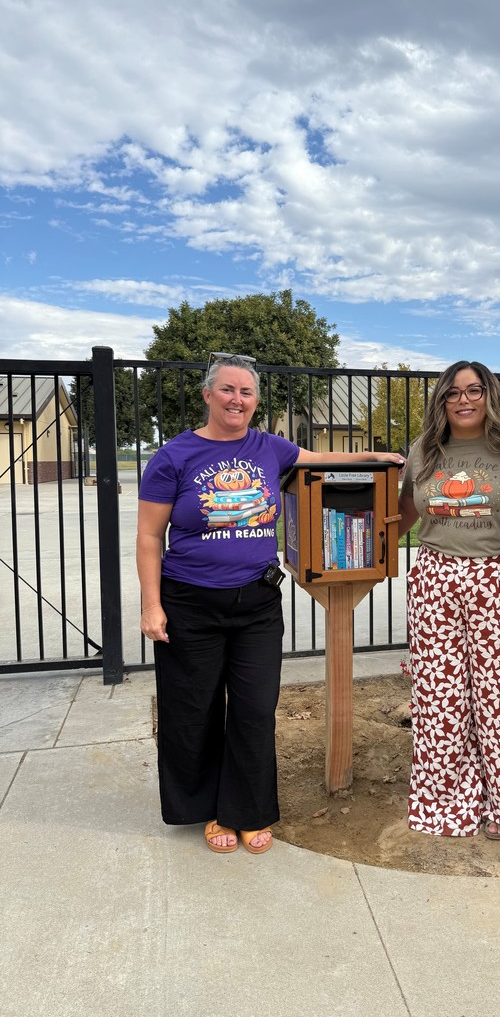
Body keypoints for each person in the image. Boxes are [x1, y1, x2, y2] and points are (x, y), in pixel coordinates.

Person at [137, 353, 404, 855]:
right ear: (208, 395)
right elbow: (150, 536)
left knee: (256, 709)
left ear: (256, 401)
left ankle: (248, 809)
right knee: (194, 710)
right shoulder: (174, 456)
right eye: (228, 390)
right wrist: (152, 605)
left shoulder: (269, 447)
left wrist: (377, 459)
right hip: (190, 601)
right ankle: (210, 809)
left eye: (247, 393)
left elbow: (319, 460)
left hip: (257, 602)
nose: (237, 400)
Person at [398, 360, 500, 840]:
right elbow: (401, 516)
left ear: (489, 395)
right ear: (440, 400)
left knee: (499, 695)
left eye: (474, 390)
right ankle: (443, 798)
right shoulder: (424, 451)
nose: (463, 400)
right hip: (436, 577)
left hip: (499, 578)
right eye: (452, 392)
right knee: (440, 696)